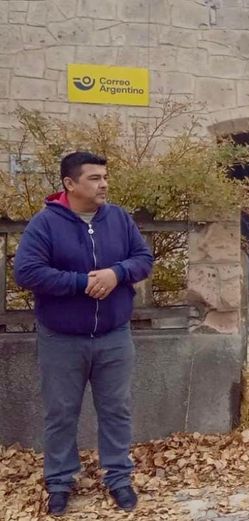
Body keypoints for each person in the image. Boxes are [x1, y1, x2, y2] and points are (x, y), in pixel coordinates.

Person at [14, 152, 153, 516]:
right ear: (70, 184)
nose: (103, 183)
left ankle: (119, 477)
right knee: (61, 412)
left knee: (116, 410)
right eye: (94, 178)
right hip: (62, 338)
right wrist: (81, 283)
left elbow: (143, 258)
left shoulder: (119, 218)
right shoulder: (45, 224)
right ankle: (60, 482)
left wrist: (117, 273)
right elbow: (27, 272)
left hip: (114, 335)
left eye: (105, 176)